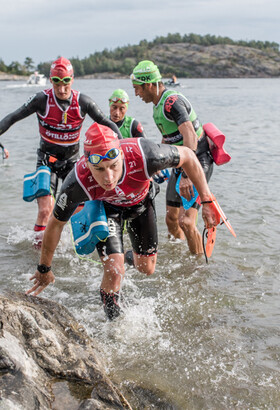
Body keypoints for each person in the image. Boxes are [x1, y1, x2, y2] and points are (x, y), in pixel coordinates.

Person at [26, 123, 218, 320]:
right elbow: (55, 224)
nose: (108, 178)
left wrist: (207, 200)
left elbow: (187, 155)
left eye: (113, 166)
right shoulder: (77, 181)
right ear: (87, 163)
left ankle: (127, 257)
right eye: (99, 169)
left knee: (146, 268)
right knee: (114, 270)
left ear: (122, 156)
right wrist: (44, 268)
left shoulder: (145, 154)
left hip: (141, 204)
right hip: (107, 209)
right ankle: (115, 327)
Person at [0, 57, 122, 248]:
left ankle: (77, 252)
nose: (62, 88)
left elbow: (108, 124)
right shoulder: (41, 100)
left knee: (79, 211)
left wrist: (121, 150)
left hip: (73, 162)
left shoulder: (83, 102)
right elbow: (13, 117)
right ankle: (39, 258)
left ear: (72, 79)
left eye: (66, 81)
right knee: (45, 210)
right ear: (51, 80)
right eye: (57, 81)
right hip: (46, 161)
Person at [130, 60, 214, 255]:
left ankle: (197, 267)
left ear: (149, 84)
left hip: (197, 160)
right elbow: (168, 138)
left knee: (186, 221)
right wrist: (158, 164)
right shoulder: (157, 106)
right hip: (181, 162)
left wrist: (186, 175)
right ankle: (180, 257)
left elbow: (190, 137)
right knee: (171, 219)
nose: (136, 94)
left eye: (137, 89)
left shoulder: (171, 103)